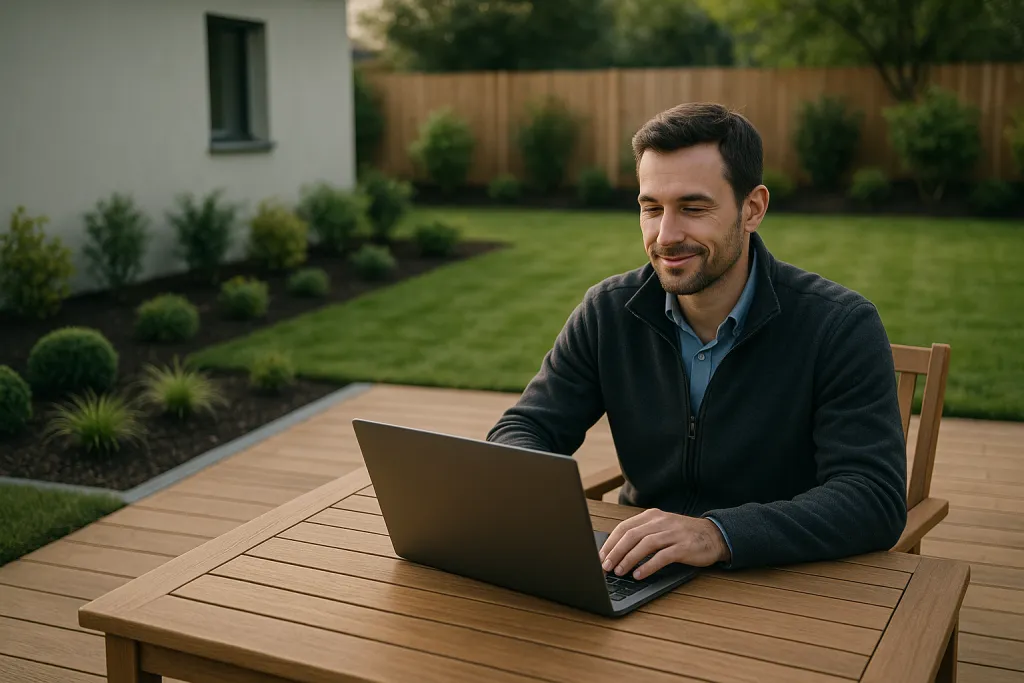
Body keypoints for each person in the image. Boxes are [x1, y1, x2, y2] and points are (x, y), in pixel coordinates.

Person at [486, 102, 907, 580]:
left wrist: (716, 534)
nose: (666, 235)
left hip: (781, 581)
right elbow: (524, 429)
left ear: (753, 209)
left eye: (692, 207)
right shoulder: (608, 311)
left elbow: (872, 496)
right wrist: (537, 503)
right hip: (641, 571)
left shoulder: (839, 326)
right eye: (651, 208)